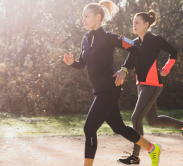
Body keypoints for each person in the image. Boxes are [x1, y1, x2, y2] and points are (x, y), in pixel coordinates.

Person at [63, 1, 162, 166]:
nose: (83, 20)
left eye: (86, 17)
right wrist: (72, 63)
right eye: (82, 17)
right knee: (119, 127)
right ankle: (152, 148)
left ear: (97, 17)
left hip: (109, 88)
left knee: (89, 128)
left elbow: (134, 48)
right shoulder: (85, 39)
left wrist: (124, 69)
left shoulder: (109, 37)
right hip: (99, 90)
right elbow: (82, 64)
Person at [117, 10, 183, 166]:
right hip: (141, 84)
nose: (134, 24)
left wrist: (167, 68)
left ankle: (135, 156)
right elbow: (131, 65)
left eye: (137, 22)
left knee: (136, 117)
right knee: (152, 120)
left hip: (153, 84)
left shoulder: (156, 39)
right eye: (133, 22)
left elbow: (174, 52)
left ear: (146, 24)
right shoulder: (134, 43)